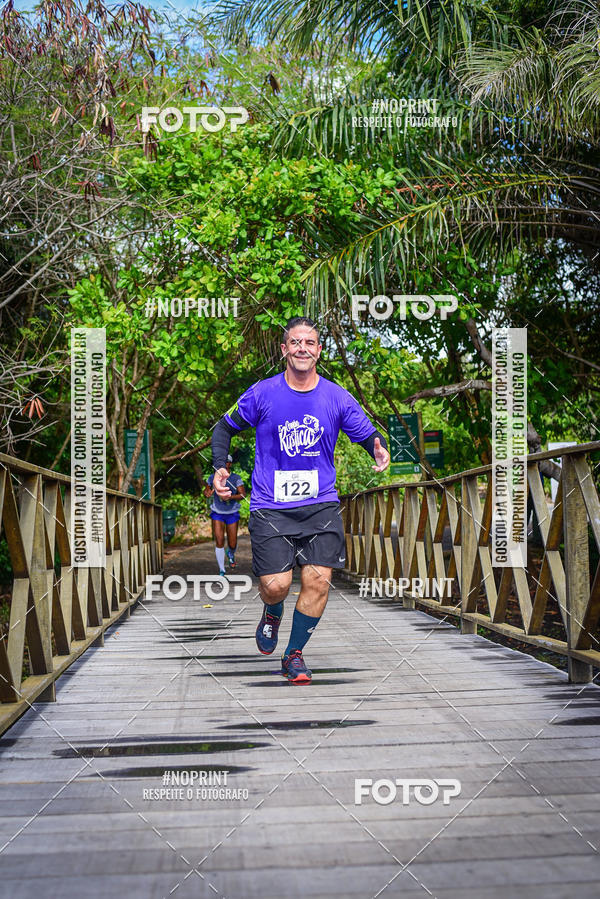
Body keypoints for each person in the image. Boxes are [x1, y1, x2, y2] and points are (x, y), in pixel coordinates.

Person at [211, 317, 389, 683]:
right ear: (284, 349)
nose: (302, 348)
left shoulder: (336, 396)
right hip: (270, 506)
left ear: (319, 350)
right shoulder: (262, 393)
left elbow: (367, 432)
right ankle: (272, 612)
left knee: (319, 580)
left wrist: (377, 448)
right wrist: (220, 467)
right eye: (295, 342)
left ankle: (293, 655)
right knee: (276, 585)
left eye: (309, 342)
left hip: (320, 504)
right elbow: (224, 426)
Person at [205, 455, 245, 575]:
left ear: (230, 464)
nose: (224, 464)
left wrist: (229, 497)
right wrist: (207, 492)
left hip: (232, 512)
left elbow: (242, 495)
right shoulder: (212, 477)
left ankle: (231, 553)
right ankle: (222, 569)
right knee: (219, 540)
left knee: (232, 543)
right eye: (222, 462)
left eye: (227, 462)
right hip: (217, 512)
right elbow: (206, 491)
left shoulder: (236, 478)